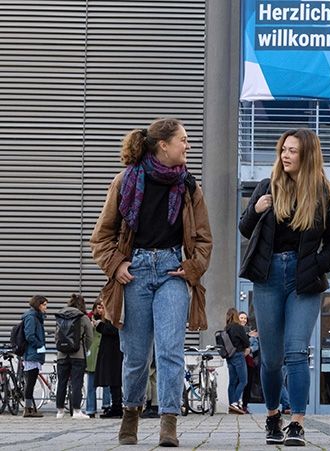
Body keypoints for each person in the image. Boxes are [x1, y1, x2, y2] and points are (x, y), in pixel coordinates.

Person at [90, 118, 213, 447]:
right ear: (163, 146)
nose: (188, 145)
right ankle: (131, 412)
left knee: (171, 351)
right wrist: (116, 265)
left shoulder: (189, 187)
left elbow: (203, 239)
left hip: (173, 271)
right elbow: (101, 237)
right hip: (136, 272)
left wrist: (191, 268)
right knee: (135, 355)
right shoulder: (125, 181)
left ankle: (168, 421)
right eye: (183, 140)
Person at [239, 128, 330, 446]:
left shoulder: (323, 194)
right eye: (283, 149)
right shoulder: (266, 187)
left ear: (308, 155)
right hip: (269, 277)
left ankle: (297, 422)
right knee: (271, 360)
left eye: (293, 151)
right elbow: (246, 228)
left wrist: (317, 264)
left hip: (304, 281)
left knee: (297, 351)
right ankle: (273, 416)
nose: (285, 155)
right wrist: (256, 209)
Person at [55, 293, 93, 419]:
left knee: (62, 382)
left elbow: (57, 335)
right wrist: (85, 348)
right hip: (78, 354)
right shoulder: (82, 317)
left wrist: (60, 347)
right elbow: (90, 337)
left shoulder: (60, 315)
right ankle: (77, 411)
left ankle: (60, 411)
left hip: (62, 354)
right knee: (77, 382)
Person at [21, 295, 48, 418]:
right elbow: (30, 335)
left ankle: (30, 408)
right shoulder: (31, 317)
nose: (45, 308)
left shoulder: (36, 317)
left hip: (34, 353)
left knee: (31, 381)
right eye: (44, 305)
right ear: (38, 304)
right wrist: (40, 345)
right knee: (30, 382)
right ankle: (28, 409)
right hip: (32, 353)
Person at [85, 300, 112, 418]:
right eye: (99, 307)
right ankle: (90, 408)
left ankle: (107, 405)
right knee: (91, 383)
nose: (100, 310)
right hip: (93, 353)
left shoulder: (109, 320)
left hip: (105, 353)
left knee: (107, 383)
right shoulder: (89, 319)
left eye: (102, 307)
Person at [94, 316, 124, 418]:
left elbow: (114, 329)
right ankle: (116, 406)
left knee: (115, 380)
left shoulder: (116, 315)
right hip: (112, 352)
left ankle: (117, 407)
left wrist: (100, 326)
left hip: (114, 353)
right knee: (113, 381)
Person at [225, 307, 250, 414]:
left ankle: (232, 405)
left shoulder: (226, 328)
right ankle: (234, 402)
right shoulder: (238, 327)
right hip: (239, 355)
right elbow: (246, 342)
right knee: (243, 380)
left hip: (229, 356)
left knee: (232, 382)